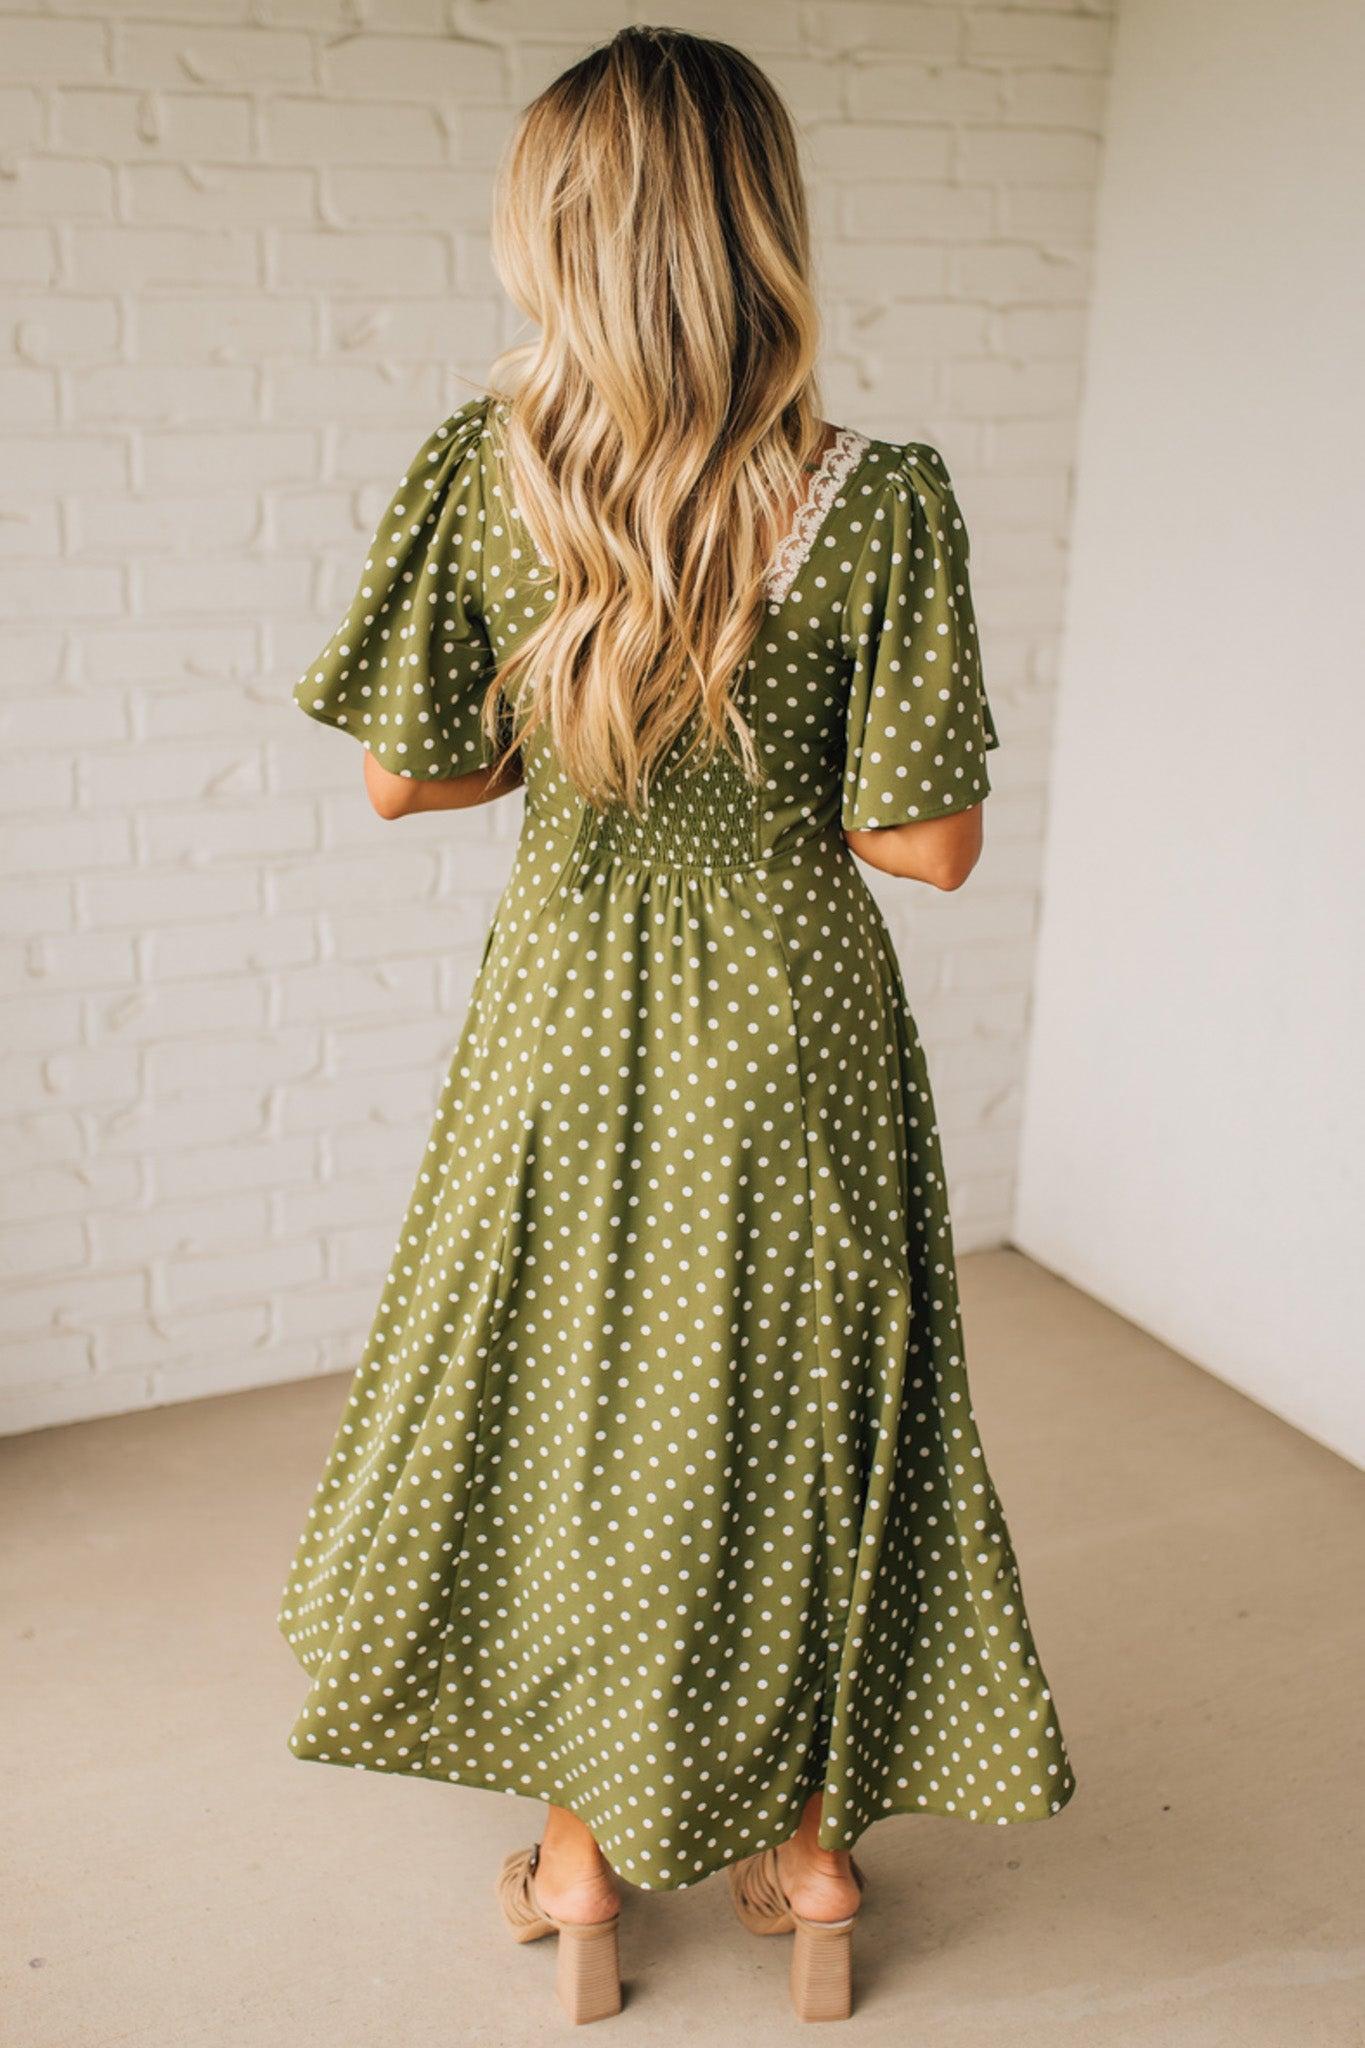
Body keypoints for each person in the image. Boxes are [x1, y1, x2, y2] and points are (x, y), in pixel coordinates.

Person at [277, 23, 1075, 2027]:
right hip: (792, 1017)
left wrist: (584, 740)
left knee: (568, 1407)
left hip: (566, 1005)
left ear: (554, 235)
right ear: (759, 231)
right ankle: (804, 1847)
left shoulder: (485, 473)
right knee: (806, 1408)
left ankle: (575, 1863)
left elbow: (402, 777)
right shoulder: (872, 500)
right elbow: (928, 843)